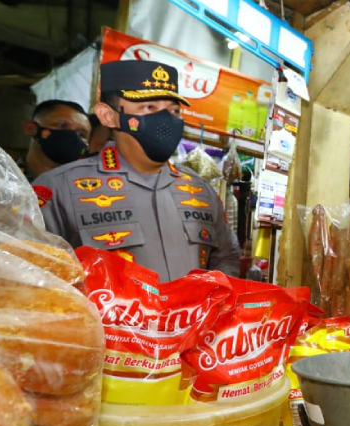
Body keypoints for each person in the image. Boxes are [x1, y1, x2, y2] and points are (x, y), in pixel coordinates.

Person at [33, 60, 240, 282]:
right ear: (109, 116)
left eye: (174, 110)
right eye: (149, 107)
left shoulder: (201, 191)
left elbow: (225, 258)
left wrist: (210, 302)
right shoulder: (59, 188)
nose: (166, 119)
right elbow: (35, 272)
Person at [19, 99, 91, 182]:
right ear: (30, 128)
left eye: (81, 134)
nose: (72, 136)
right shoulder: (6, 179)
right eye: (61, 126)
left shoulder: (90, 187)